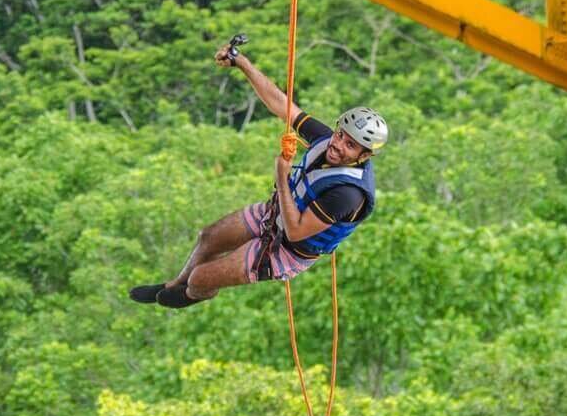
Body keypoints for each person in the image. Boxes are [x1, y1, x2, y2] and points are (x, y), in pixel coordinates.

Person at [129, 39, 387, 308]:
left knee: (201, 278)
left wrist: (281, 177)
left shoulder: (347, 194)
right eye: (340, 135)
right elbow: (281, 104)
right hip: (274, 214)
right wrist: (242, 63)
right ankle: (175, 283)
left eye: (350, 145)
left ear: (364, 155)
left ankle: (193, 291)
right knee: (209, 237)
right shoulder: (326, 140)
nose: (338, 145)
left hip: (287, 249)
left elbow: (297, 232)